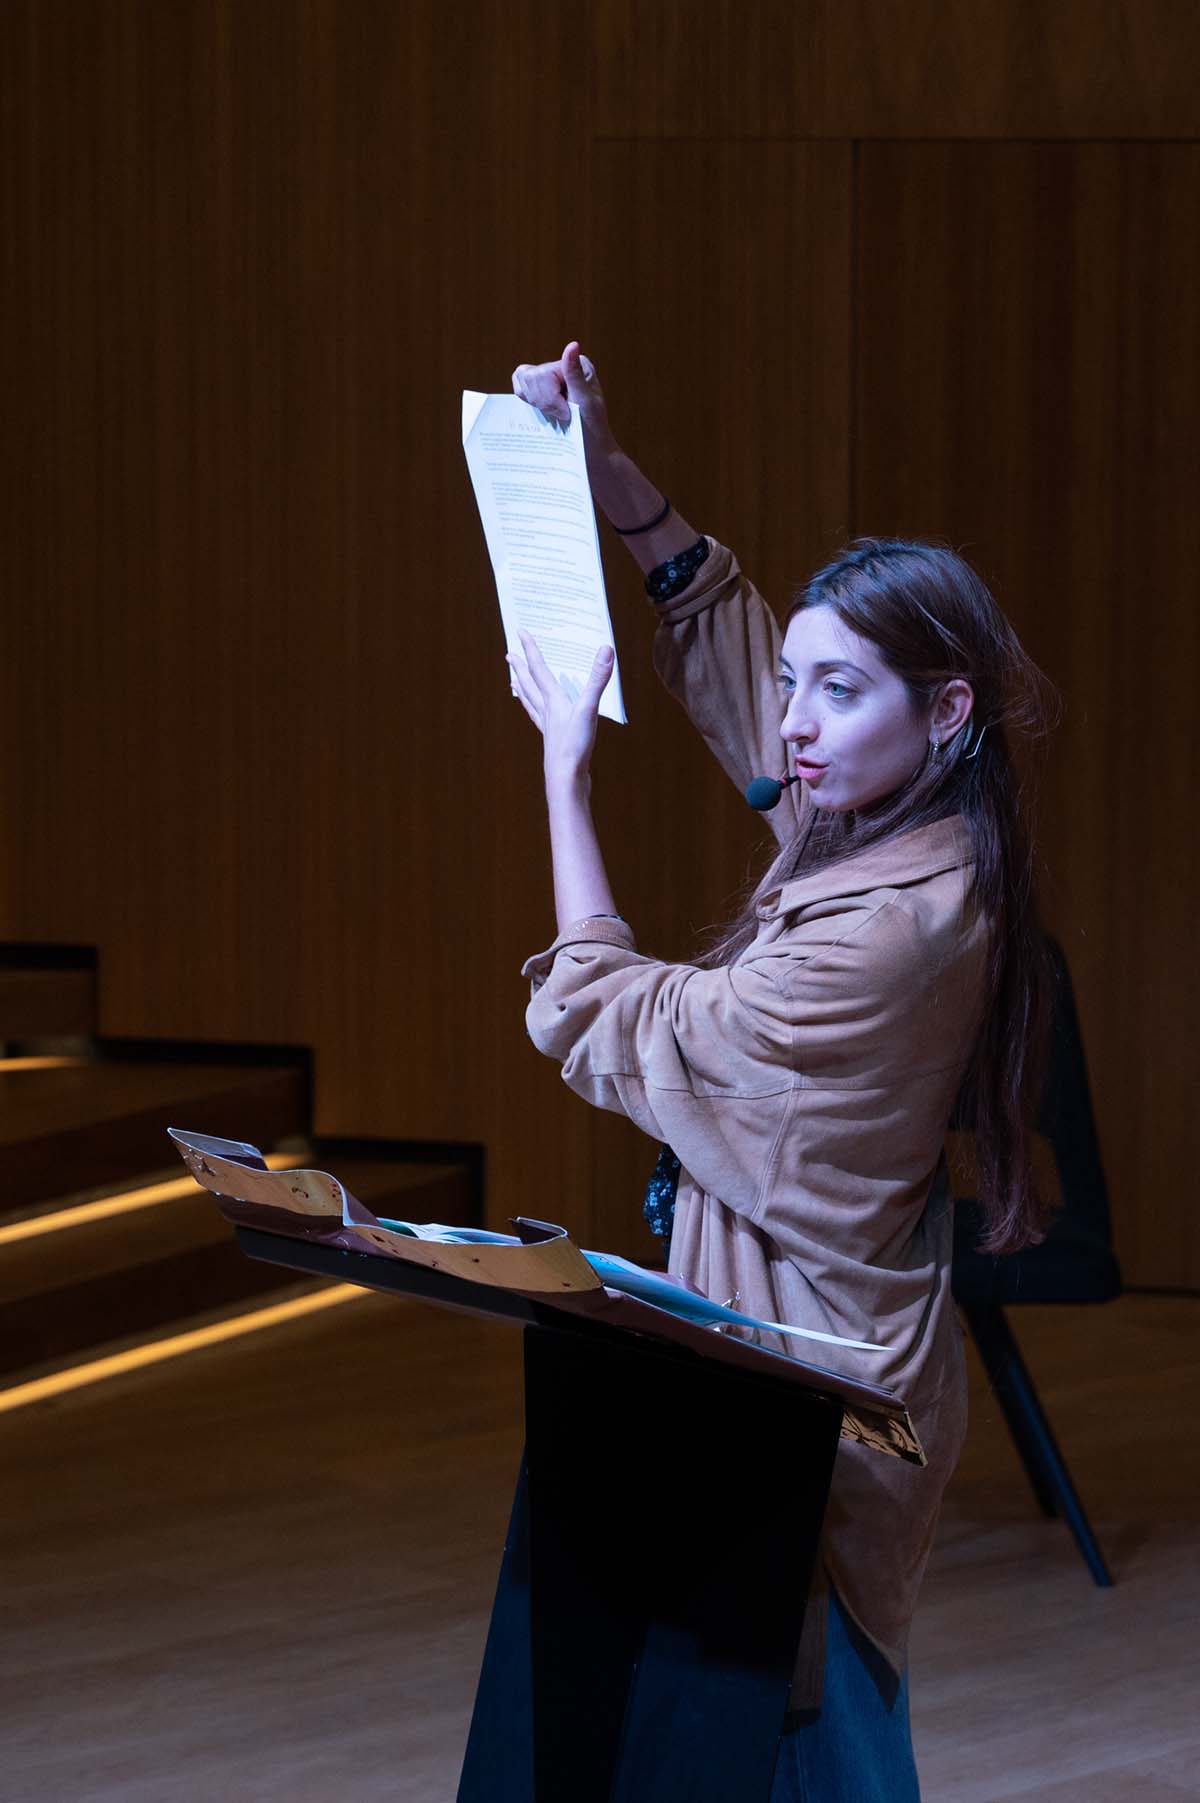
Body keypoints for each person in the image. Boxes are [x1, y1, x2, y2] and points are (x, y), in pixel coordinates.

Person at [506, 342, 1052, 1801]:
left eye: (840, 690)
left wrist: (565, 774)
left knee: (811, 1739)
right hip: (795, 1356)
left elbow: (610, 1014)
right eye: (798, 685)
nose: (796, 723)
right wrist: (605, 468)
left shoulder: (891, 930)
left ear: (945, 712)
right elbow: (736, 647)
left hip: (813, 1381)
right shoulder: (896, 809)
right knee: (761, 1730)